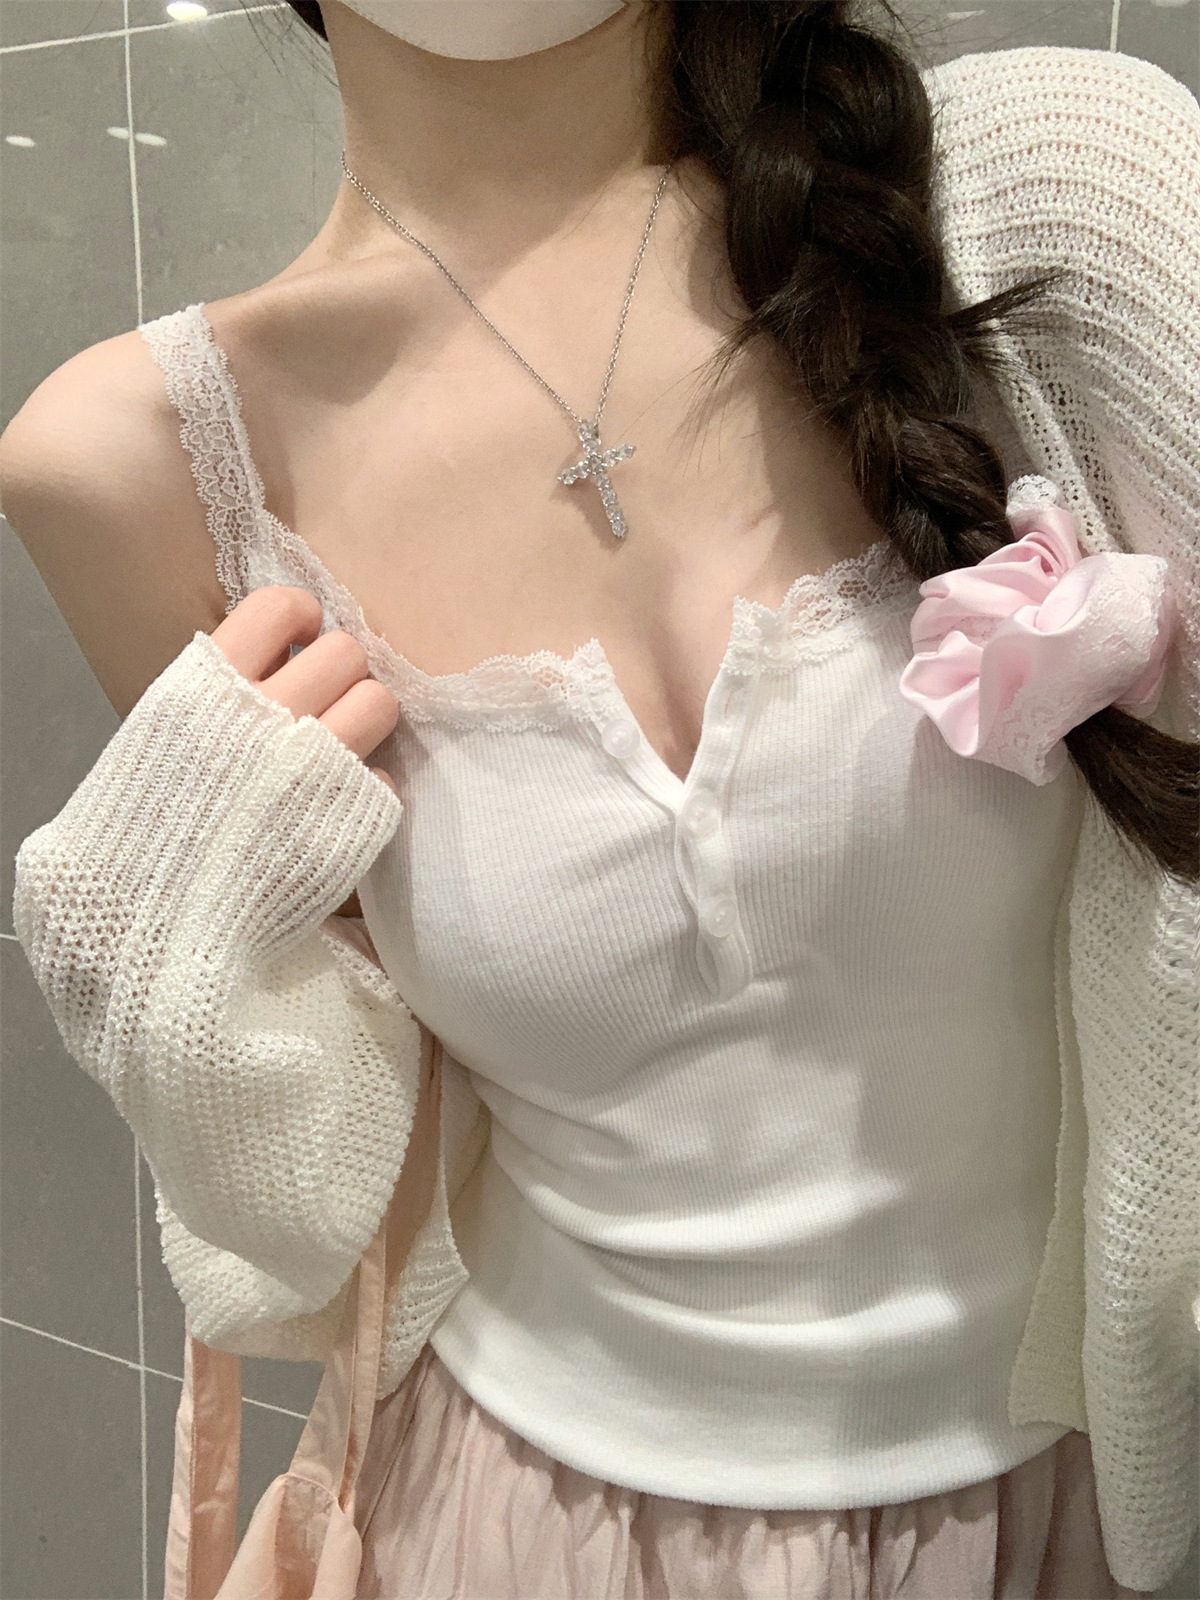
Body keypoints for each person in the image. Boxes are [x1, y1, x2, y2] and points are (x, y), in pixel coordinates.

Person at [3, 2, 1197, 1595]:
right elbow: (312, 1205)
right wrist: (163, 976)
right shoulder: (132, 457)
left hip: (1058, 1510)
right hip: (507, 1524)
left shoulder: (1053, 198)